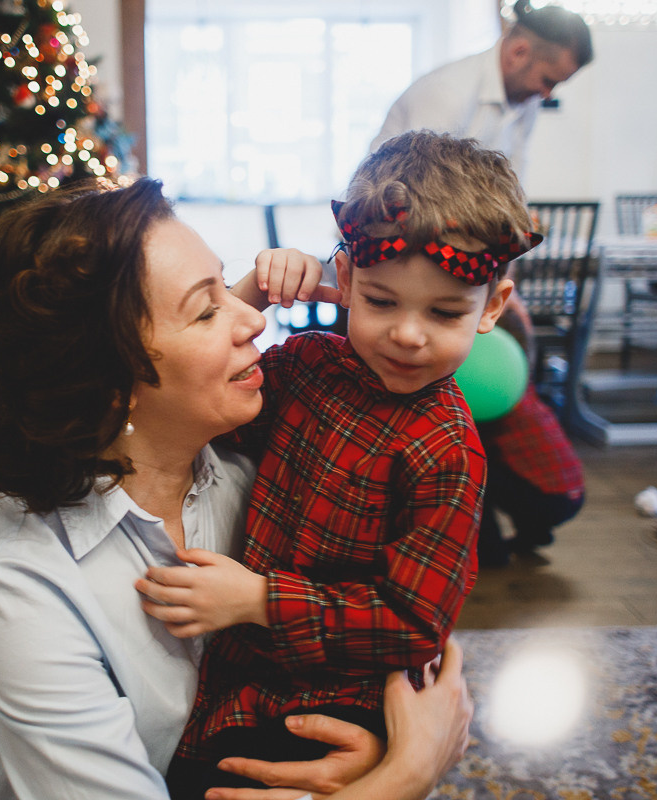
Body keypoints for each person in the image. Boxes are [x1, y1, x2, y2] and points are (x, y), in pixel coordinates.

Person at [0, 176, 472, 800]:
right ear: (111, 377)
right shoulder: (21, 572)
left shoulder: (255, 466)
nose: (254, 316)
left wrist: (368, 746)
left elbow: (392, 599)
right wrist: (406, 773)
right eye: (208, 308)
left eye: (230, 286)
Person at [145, 131, 536, 798]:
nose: (408, 334)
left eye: (444, 313)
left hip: (346, 694)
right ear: (347, 280)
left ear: (491, 307)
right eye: (382, 302)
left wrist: (261, 600)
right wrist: (253, 294)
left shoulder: (448, 452)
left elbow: (413, 623)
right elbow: (208, 406)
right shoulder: (307, 366)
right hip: (243, 670)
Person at [370, 0, 593, 176]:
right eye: (547, 81)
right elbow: (427, 195)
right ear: (519, 52)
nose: (547, 95)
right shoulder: (448, 92)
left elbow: (513, 176)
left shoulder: (528, 100)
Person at [474, 294, 584, 567]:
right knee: (509, 465)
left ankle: (491, 553)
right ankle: (533, 532)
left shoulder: (492, 401)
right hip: (573, 494)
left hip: (549, 500)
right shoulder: (520, 386)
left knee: (473, 471)